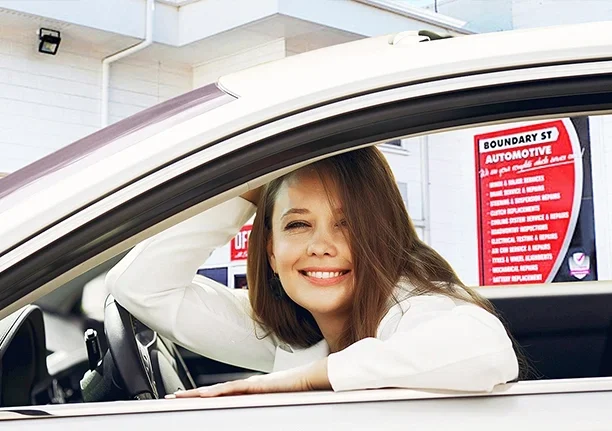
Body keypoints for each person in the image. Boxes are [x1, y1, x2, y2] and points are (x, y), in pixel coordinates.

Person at [106, 146, 519, 399]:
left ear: (382, 234)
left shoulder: (413, 302)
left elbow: (482, 351)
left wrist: (296, 384)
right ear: (271, 251)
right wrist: (246, 190)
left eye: (349, 223)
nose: (322, 245)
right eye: (298, 224)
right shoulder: (290, 335)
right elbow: (139, 286)